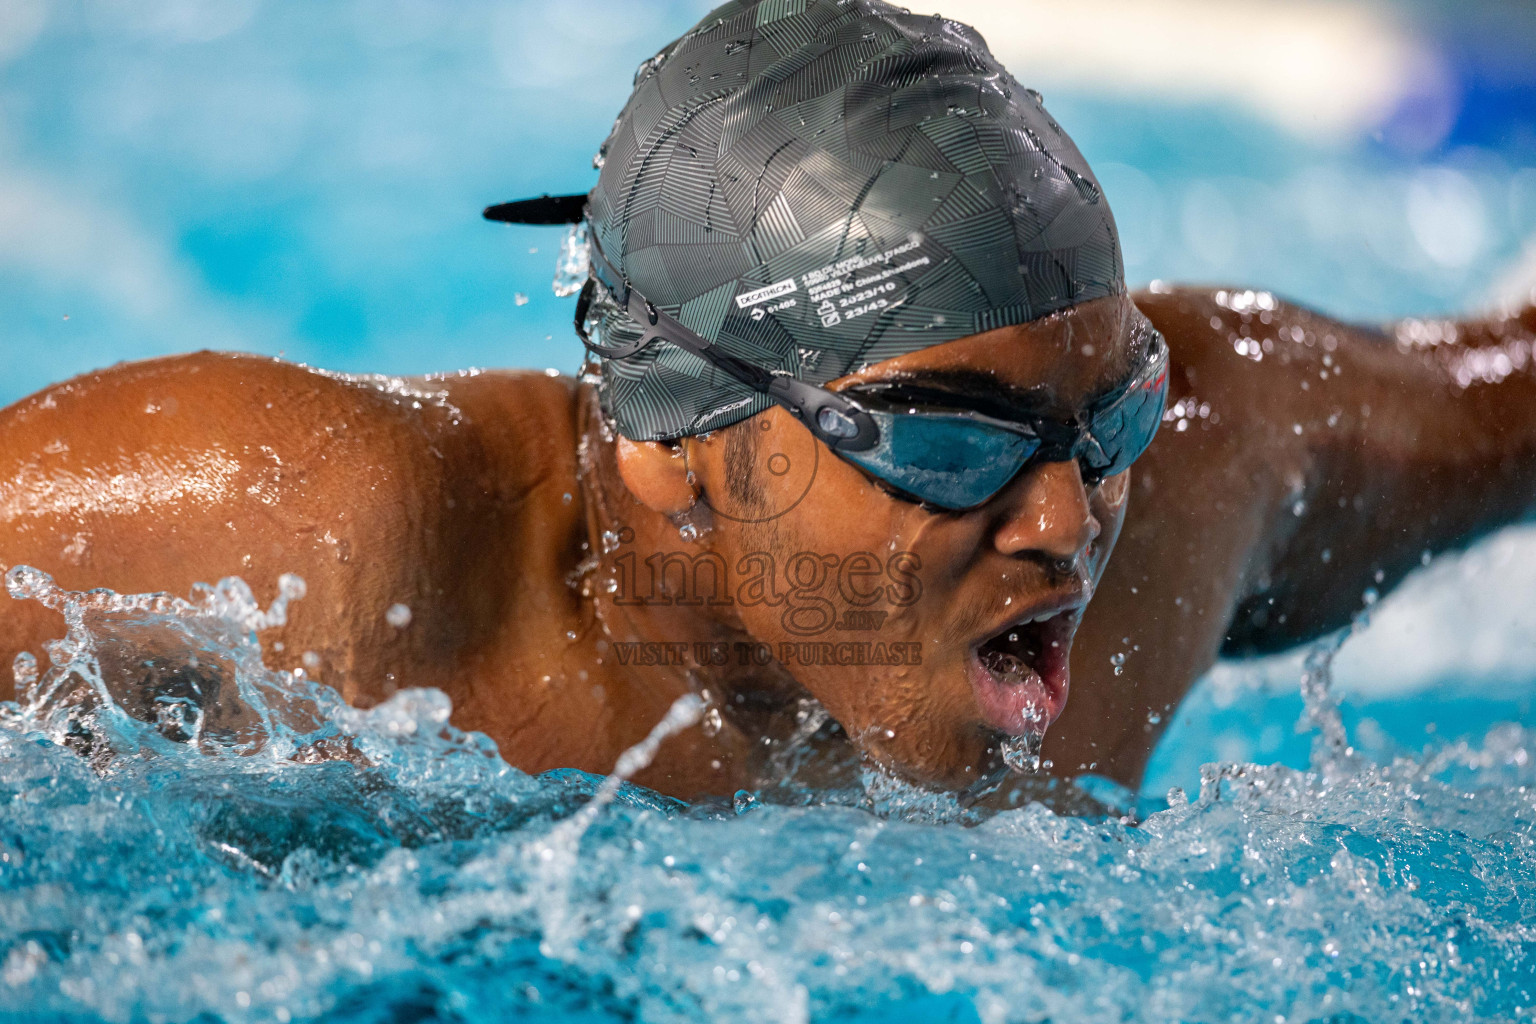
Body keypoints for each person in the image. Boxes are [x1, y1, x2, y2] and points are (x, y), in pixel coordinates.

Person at [1, 0, 1533, 802]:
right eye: (951, 443)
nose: (1068, 521)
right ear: (669, 447)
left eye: (1108, 420)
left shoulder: (1209, 473)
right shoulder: (321, 542)